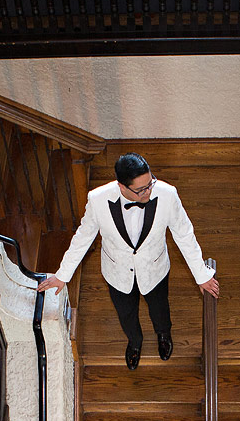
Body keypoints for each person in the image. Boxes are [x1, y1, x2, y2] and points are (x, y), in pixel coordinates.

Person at [38, 153, 219, 370]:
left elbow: (184, 235)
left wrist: (201, 275)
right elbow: (83, 238)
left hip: (155, 268)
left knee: (160, 309)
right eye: (141, 189)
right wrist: (62, 275)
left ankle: (163, 335)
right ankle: (135, 342)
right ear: (122, 187)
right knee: (126, 313)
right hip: (117, 272)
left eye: (150, 183)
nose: (149, 191)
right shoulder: (97, 200)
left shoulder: (168, 194)